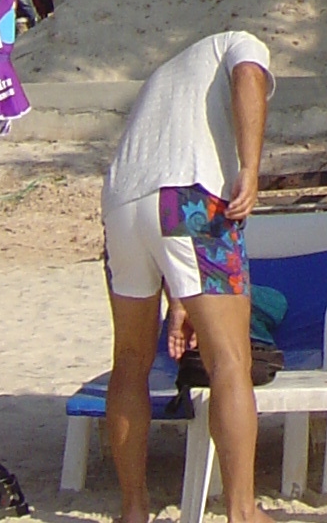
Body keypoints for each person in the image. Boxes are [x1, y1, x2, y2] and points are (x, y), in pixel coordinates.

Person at [101, 27, 274, 523]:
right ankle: (242, 511)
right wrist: (251, 166)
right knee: (230, 361)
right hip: (190, 198)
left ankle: (133, 508)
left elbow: (157, 211)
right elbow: (248, 75)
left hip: (121, 200)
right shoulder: (243, 42)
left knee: (130, 359)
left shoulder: (170, 73)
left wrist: (181, 302)